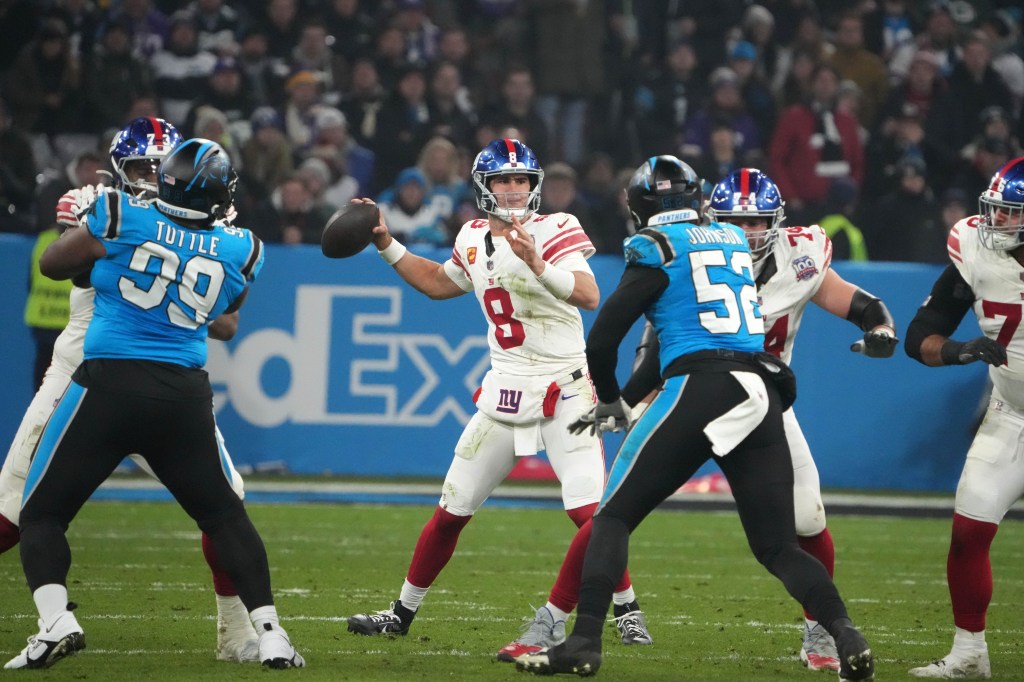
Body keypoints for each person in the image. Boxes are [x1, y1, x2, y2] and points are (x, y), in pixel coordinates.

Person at [515, 155, 874, 680]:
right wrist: (632, 394)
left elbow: (604, 337)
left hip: (700, 387)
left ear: (639, 207)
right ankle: (846, 634)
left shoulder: (655, 246)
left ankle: (584, 640)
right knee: (777, 545)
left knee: (612, 517)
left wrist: (614, 399)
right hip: (758, 390)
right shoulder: (729, 242)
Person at [3, 137, 304, 670]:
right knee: (226, 516)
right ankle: (272, 632)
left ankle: (56, 620)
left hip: (107, 384)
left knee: (43, 512)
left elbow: (54, 263)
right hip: (182, 394)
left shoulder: (119, 214)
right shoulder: (242, 246)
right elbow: (226, 311)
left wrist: (90, 235)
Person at [345, 138, 647, 641]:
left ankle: (627, 607)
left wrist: (537, 264)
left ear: (535, 186)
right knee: (450, 513)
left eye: (522, 180)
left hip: (565, 388)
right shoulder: (470, 235)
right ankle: (400, 613)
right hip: (505, 389)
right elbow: (440, 283)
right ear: (485, 187)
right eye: (504, 180)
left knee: (589, 514)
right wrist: (386, 243)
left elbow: (590, 294)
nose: (513, 189)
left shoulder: (556, 227)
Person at [904, 156, 1024, 679]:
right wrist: (960, 351)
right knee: (968, 532)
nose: (997, 222)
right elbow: (919, 336)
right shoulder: (973, 249)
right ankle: (970, 651)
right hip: (1011, 414)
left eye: (1011, 213)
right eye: (996, 211)